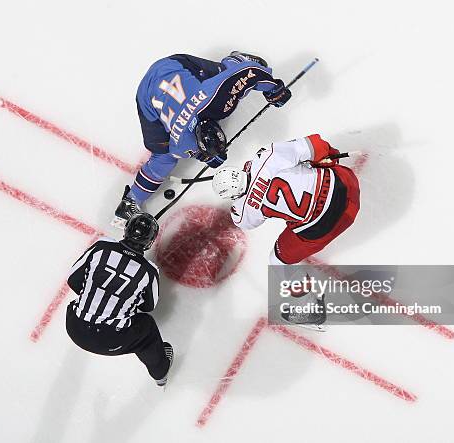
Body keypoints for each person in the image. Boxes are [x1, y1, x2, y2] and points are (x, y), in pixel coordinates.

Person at [114, 51, 292, 224]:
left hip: (163, 78)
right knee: (163, 157)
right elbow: (248, 72)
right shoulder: (183, 142)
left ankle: (131, 201)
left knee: (226, 78)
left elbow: (249, 73)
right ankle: (132, 199)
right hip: (152, 88)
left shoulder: (213, 102)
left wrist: (273, 87)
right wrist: (204, 156)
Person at [211, 134, 360, 265]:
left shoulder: (243, 211)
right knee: (314, 157)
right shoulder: (267, 156)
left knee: (276, 259)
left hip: (329, 224)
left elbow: (244, 222)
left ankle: (301, 290)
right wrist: (330, 155)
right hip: (346, 183)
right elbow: (314, 144)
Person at [65, 212, 174, 386]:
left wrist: (97, 296)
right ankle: (160, 373)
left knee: (78, 305)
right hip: (111, 342)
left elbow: (73, 279)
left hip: (75, 328)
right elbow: (149, 306)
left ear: (126, 229)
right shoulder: (149, 271)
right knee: (147, 326)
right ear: (150, 242)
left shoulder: (101, 247)